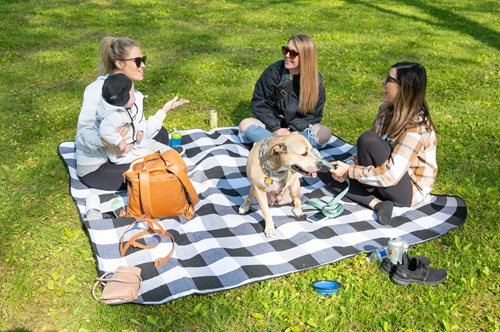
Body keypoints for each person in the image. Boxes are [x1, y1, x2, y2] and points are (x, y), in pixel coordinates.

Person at [327, 62, 437, 225]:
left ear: (403, 88)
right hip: (382, 180)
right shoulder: (386, 110)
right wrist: (347, 166)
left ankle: (369, 195)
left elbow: (391, 176)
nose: (383, 82)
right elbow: (367, 153)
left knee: (367, 139)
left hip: (406, 191)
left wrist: (350, 171)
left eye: (389, 79)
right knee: (326, 170)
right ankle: (377, 204)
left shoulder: (417, 127)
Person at [75, 36, 188, 191]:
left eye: (143, 59)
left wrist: (163, 111)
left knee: (161, 133)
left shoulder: (132, 92)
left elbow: (138, 130)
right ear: (120, 63)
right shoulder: (98, 90)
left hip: (125, 153)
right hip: (98, 166)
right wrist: (107, 140)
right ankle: (150, 164)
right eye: (138, 61)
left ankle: (149, 162)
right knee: (154, 171)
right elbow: (82, 136)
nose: (143, 65)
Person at [239, 34, 331, 148]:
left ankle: (275, 147)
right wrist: (276, 128)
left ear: (305, 57)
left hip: (298, 131)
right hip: (271, 128)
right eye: (285, 50)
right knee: (245, 124)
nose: (287, 55)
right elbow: (260, 103)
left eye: (293, 53)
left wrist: (291, 129)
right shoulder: (273, 72)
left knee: (324, 132)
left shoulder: (316, 81)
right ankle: (291, 147)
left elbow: (314, 115)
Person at [98, 73, 174, 164]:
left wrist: (139, 131)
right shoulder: (112, 116)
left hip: (136, 143)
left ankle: (172, 155)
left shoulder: (126, 108)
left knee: (162, 148)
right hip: (122, 154)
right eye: (133, 94)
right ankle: (165, 164)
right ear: (124, 99)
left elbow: (135, 123)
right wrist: (119, 141)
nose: (135, 98)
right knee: (151, 156)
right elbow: (104, 130)